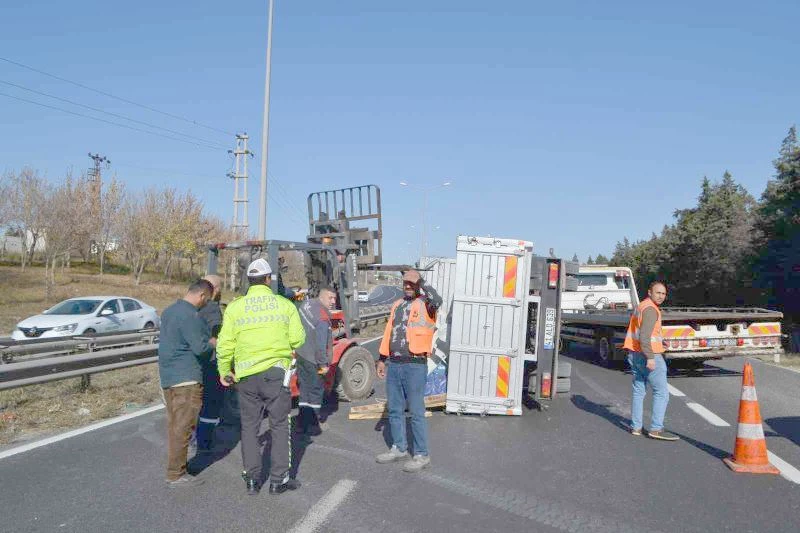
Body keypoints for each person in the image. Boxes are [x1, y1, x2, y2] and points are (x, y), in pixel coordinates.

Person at [216, 258, 306, 495]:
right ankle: (279, 480)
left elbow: (225, 344)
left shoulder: (235, 307)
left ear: (249, 281)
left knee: (249, 427)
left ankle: (252, 480)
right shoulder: (284, 305)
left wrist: (225, 370)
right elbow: (298, 339)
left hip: (245, 377)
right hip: (276, 375)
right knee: (278, 426)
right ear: (268, 280)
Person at [375, 269, 442, 473]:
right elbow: (389, 332)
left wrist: (421, 281)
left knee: (415, 411)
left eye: (412, 283)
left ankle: (421, 454)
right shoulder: (397, 305)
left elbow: (437, 299)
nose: (408, 286)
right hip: (394, 364)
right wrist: (382, 359)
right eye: (405, 283)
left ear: (418, 285)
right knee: (394, 409)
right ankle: (399, 448)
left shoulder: (427, 304)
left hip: (415, 364)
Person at [158, 279, 216, 487]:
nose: (205, 304)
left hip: (169, 377)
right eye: (206, 300)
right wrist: (213, 342)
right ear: (201, 296)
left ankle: (178, 466)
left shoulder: (169, 311)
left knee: (175, 426)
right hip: (187, 378)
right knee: (184, 428)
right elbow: (200, 347)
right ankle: (176, 473)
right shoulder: (191, 315)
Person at [623, 281, 679, 441]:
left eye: (663, 293)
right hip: (648, 355)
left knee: (639, 390)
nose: (661, 296)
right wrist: (650, 357)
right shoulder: (651, 310)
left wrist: (661, 341)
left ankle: (636, 427)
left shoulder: (642, 306)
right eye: (658, 293)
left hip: (634, 353)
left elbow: (643, 332)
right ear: (649, 292)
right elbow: (644, 337)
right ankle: (656, 429)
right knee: (661, 392)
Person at [296, 287, 337, 437]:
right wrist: (323, 365)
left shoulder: (307, 305)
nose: (333, 301)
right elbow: (321, 345)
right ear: (322, 297)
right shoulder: (323, 318)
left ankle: (301, 423)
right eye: (330, 298)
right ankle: (313, 425)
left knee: (305, 390)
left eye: (334, 298)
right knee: (316, 391)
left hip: (301, 354)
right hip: (314, 361)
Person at [195, 274, 224, 453]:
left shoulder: (191, 307)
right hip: (212, 362)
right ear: (215, 290)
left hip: (195, 363)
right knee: (211, 403)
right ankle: (205, 442)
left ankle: (197, 437)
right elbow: (218, 334)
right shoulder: (213, 308)